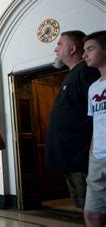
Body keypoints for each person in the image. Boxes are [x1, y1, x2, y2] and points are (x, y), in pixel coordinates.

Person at [45, 30, 100, 209]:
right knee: (84, 208)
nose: (56, 49)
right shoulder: (73, 74)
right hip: (71, 157)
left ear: (73, 49)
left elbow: (98, 113)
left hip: (81, 156)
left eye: (60, 44)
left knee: (93, 208)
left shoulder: (86, 72)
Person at [81, 30, 106, 227]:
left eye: (90, 49)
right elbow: (95, 122)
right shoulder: (94, 87)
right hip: (97, 156)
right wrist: (92, 152)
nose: (84, 55)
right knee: (92, 214)